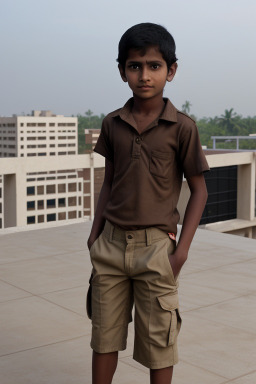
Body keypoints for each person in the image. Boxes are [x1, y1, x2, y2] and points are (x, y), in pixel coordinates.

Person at [87, 22, 209, 384]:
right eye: (135, 66)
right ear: (122, 70)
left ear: (170, 71)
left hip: (156, 249)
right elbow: (109, 182)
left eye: (154, 66)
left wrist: (181, 252)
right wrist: (95, 237)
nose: (144, 75)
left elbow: (199, 190)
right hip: (109, 246)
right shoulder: (112, 124)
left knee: (159, 341)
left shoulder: (182, 127)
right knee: (103, 337)